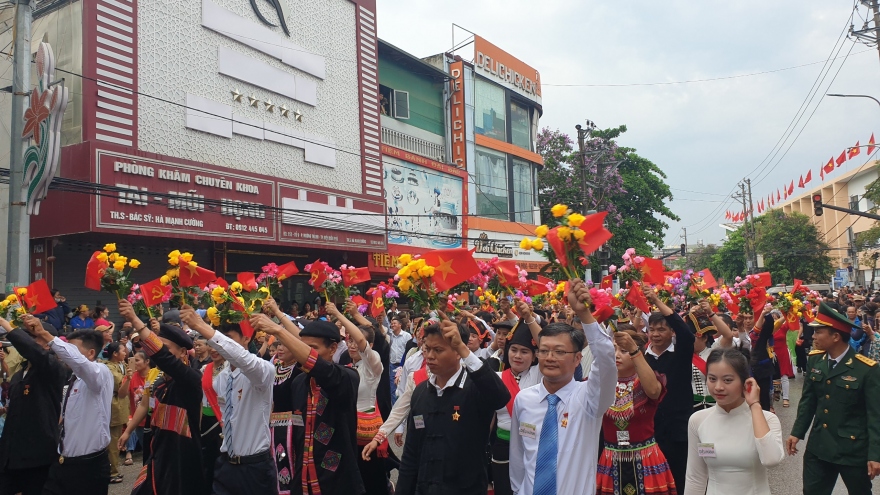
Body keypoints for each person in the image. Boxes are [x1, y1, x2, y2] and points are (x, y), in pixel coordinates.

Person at [510, 279, 617, 495]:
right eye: (544, 351)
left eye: (559, 352)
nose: (550, 358)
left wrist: (584, 314)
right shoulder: (524, 399)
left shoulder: (589, 398)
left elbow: (606, 358)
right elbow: (518, 460)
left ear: (578, 358)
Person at [250, 311, 366, 494]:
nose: (302, 354)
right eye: (301, 348)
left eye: (313, 348)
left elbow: (325, 371)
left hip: (337, 482)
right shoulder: (298, 383)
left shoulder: (347, 377)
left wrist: (279, 331)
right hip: (302, 481)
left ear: (333, 348)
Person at [396, 315, 510, 495]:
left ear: (458, 352)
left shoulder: (475, 388)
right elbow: (411, 451)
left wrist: (465, 350)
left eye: (438, 350)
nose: (431, 356)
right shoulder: (420, 392)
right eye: (428, 349)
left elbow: (500, 397)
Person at [180, 306, 277, 495]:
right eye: (217, 341)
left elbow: (241, 357)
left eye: (229, 340)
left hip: (255, 467)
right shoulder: (222, 378)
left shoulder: (262, 370)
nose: (219, 346)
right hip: (226, 464)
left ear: (247, 339)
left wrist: (200, 325)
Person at [787, 302, 880, 495]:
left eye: (819, 332)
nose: (813, 337)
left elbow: (875, 416)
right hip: (819, 446)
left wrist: (875, 455)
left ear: (836, 336)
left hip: (853, 450)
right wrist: (797, 432)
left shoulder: (866, 369)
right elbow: (808, 401)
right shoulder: (815, 360)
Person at [118, 299, 206, 495]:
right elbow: (144, 406)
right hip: (158, 457)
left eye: (166, 347)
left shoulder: (191, 379)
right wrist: (128, 431)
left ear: (183, 352)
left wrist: (135, 320)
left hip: (181, 464)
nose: (158, 353)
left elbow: (164, 359)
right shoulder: (160, 383)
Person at [684, 347, 785, 495]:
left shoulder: (767, 419)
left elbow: (771, 460)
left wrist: (755, 405)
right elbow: (695, 478)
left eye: (727, 380)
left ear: (745, 382)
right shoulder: (698, 421)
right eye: (712, 379)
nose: (718, 387)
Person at [29, 322, 113, 495]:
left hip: (88, 466)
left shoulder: (101, 373)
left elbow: (79, 363)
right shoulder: (72, 378)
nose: (64, 354)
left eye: (72, 349)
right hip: (62, 462)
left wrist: (45, 335)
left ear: (91, 353)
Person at [598, 329, 676, 495]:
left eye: (623, 351)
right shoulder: (600, 383)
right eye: (613, 350)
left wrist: (634, 350)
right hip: (611, 459)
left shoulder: (647, 382)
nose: (616, 355)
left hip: (646, 458)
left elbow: (654, 392)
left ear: (636, 354)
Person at [328, 303, 388, 495]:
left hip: (367, 431)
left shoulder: (373, 363)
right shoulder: (346, 366)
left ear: (370, 346)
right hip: (348, 427)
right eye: (349, 340)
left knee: (370, 477)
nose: (353, 345)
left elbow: (362, 339)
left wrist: (339, 313)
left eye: (356, 341)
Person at [0, 319, 65, 495]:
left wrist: (4, 323)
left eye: (32, 337)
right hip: (11, 452)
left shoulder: (53, 367)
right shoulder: (20, 373)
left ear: (47, 343)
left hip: (37, 454)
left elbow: (34, 352)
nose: (25, 341)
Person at [642, 287, 695, 490]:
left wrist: (656, 300)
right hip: (650, 430)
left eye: (661, 329)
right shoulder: (642, 359)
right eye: (651, 330)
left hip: (678, 430)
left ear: (671, 331)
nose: (655, 334)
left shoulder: (680, 354)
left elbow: (686, 335)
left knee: (679, 478)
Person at [492, 313, 540, 495]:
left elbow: (544, 345)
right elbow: (489, 418)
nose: (518, 356)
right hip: (502, 448)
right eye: (514, 350)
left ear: (535, 355)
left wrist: (528, 317)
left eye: (525, 351)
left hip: (532, 447)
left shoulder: (539, 375)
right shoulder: (496, 378)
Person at [689, 301, 735, 411]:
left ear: (704, 338)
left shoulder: (714, 351)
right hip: (692, 406)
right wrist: (689, 315)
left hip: (715, 405)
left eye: (693, 337)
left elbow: (728, 335)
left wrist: (711, 313)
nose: (689, 340)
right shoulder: (683, 355)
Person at [103, 341, 130, 484]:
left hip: (121, 406)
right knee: (113, 442)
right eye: (122, 351)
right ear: (114, 354)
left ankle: (114, 469)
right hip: (114, 406)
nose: (125, 353)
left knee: (117, 440)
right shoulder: (109, 368)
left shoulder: (122, 365)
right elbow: (120, 384)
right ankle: (112, 472)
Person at [124, 351, 151, 466]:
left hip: (154, 421)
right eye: (133, 360)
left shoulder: (154, 375)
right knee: (147, 452)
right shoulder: (131, 377)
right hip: (139, 423)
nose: (135, 363)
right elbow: (121, 394)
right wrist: (128, 379)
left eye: (137, 360)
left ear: (147, 361)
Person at [772, 315, 796, 408]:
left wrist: (790, 311)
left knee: (784, 375)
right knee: (773, 376)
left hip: (783, 353)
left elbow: (792, 321)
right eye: (772, 318)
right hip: (772, 353)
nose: (774, 320)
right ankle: (775, 392)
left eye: (776, 318)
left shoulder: (783, 327)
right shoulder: (767, 328)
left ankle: (786, 398)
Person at [388, 316, 412, 403]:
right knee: (393, 388)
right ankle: (394, 408)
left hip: (403, 366)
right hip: (393, 365)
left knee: (404, 387)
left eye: (394, 323)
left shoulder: (407, 336)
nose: (392, 325)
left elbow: (409, 350)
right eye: (391, 324)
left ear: (400, 325)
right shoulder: (390, 336)